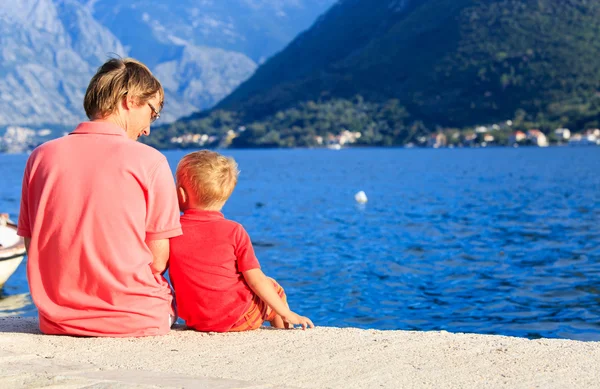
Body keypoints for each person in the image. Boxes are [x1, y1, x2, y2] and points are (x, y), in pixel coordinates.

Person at [17, 58, 182, 337]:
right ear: (129, 100)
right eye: (152, 114)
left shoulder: (40, 157)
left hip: (58, 322)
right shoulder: (150, 162)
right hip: (138, 318)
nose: (147, 129)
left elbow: (32, 243)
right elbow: (157, 261)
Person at [169, 150, 314, 332]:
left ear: (180, 194)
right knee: (273, 287)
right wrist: (286, 312)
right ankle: (284, 332)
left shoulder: (171, 230)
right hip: (239, 318)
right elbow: (256, 280)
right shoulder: (234, 230)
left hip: (197, 320)